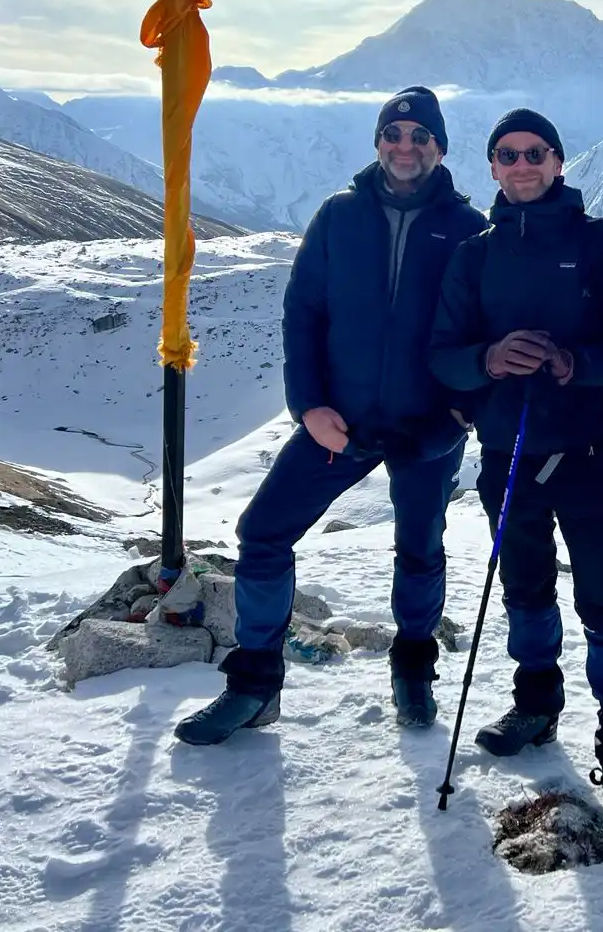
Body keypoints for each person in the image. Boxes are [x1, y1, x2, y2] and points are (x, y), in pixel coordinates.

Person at [175, 86, 488, 746]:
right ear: (378, 142)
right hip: (336, 422)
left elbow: (486, 338)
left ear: (439, 148)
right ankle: (254, 688)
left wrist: (456, 418)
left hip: (426, 426)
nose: (404, 148)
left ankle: (413, 670)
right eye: (393, 135)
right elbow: (304, 314)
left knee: (420, 549)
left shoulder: (467, 230)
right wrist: (308, 406)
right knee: (262, 533)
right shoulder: (339, 217)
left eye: (418, 137)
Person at [429, 107, 603, 817]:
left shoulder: (601, 246)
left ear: (559, 162)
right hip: (506, 455)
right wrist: (489, 360)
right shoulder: (475, 253)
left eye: (536, 153)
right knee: (525, 590)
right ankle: (537, 703)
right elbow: (443, 352)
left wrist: (572, 363)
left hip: (586, 455)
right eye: (508, 154)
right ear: (492, 167)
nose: (522, 165)